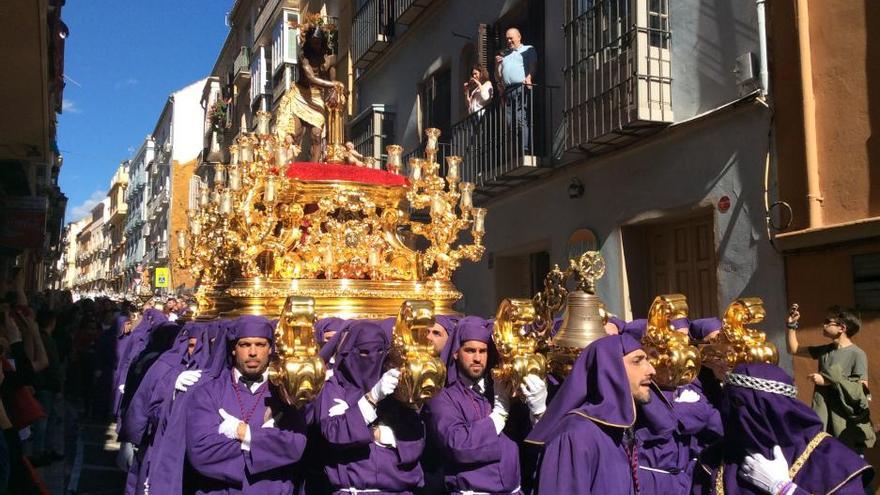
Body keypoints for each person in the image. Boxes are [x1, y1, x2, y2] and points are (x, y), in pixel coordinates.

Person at [693, 363, 872, 494]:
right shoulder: (714, 459)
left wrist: (783, 489)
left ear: (773, 410)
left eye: (737, 404)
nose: (729, 413)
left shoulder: (832, 461)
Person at [423, 316, 546, 494]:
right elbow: (457, 443)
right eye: (470, 350)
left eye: (483, 351)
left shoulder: (501, 388)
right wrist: (498, 415)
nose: (477, 358)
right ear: (456, 352)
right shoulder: (442, 395)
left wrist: (538, 411)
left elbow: (531, 441)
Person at [185, 315, 308, 494]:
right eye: (245, 345)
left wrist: (243, 433)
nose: (252, 352)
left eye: (260, 345)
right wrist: (266, 445)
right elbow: (201, 453)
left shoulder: (286, 394)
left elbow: (294, 446)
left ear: (270, 349)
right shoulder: (208, 393)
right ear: (234, 349)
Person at [526, 334, 655, 494]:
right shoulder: (575, 435)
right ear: (611, 368)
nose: (651, 370)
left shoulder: (619, 432)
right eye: (637, 361)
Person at [315, 320, 426, 494]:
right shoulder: (334, 385)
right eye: (364, 352)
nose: (373, 358)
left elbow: (415, 441)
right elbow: (334, 433)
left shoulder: (395, 386)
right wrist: (372, 398)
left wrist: (381, 434)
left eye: (380, 351)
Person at [620, 320, 722, 495]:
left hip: (687, 477)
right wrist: (693, 413)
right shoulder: (639, 391)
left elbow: (716, 423)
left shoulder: (687, 385)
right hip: (652, 483)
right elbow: (664, 423)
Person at [119, 322, 210, 494]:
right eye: (191, 345)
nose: (194, 350)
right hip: (155, 444)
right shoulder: (167, 363)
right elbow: (144, 402)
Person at [785, 304, 875, 452]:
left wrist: (828, 380)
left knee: (847, 464)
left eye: (828, 321)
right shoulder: (826, 350)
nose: (823, 324)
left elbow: (862, 391)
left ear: (842, 328)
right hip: (824, 416)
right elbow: (793, 349)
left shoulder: (857, 354)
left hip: (845, 423)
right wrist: (791, 324)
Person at [494, 28, 537, 153]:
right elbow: (498, 76)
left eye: (511, 38)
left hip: (521, 88)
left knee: (521, 119)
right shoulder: (505, 55)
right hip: (508, 91)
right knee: (510, 123)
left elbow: (533, 65)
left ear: (519, 37)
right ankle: (515, 151)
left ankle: (525, 149)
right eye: (507, 38)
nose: (508, 40)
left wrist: (529, 77)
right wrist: (497, 65)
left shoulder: (528, 49)